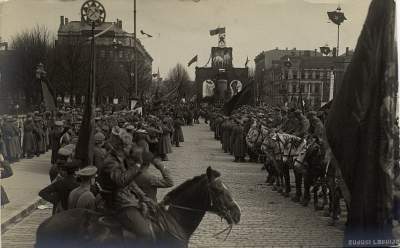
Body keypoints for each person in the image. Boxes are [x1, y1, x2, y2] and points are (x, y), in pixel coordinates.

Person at [97, 128, 155, 244]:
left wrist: (143, 196)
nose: (132, 149)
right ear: (121, 147)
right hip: (118, 202)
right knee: (146, 233)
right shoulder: (111, 161)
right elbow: (121, 180)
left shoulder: (121, 159)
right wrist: (137, 165)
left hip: (125, 197)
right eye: (129, 146)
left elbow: (130, 182)